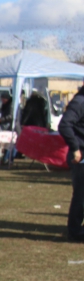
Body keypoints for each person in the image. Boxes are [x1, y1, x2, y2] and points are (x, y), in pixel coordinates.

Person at [58, 84, 84, 242]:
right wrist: (75, 147)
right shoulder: (80, 102)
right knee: (81, 195)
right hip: (80, 154)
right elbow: (64, 125)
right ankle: (75, 231)